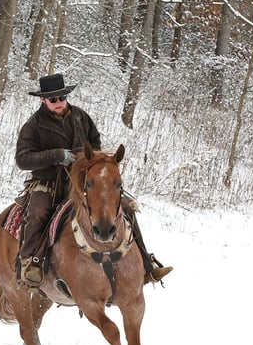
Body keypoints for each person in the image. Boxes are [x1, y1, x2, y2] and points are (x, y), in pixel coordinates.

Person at [15, 73, 173, 287]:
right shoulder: (33, 125)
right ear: (43, 100)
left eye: (62, 97)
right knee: (38, 213)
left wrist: (92, 164)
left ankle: (146, 263)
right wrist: (56, 155)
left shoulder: (81, 116)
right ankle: (30, 263)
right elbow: (23, 159)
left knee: (125, 207)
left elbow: (94, 141)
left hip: (83, 182)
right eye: (53, 99)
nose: (59, 102)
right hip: (49, 184)